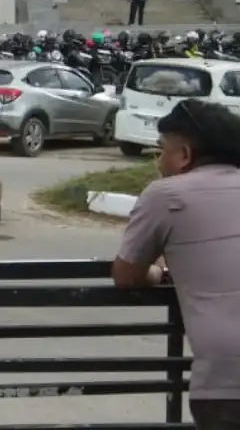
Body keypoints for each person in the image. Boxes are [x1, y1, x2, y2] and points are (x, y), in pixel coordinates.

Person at [113, 100, 240, 430]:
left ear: (184, 155)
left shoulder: (166, 195)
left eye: (161, 151)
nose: (158, 162)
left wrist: (158, 272)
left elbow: (126, 275)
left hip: (227, 383)